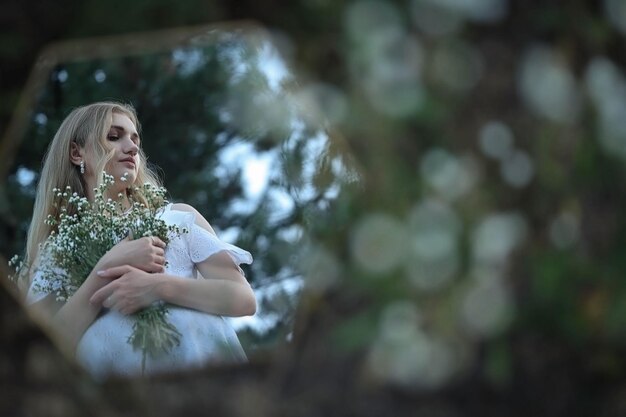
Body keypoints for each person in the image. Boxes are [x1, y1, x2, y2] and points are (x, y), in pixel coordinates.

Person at [22, 101, 256, 378]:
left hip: (204, 377)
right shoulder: (59, 251)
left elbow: (243, 299)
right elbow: (43, 352)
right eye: (114, 136)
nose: (132, 147)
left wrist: (158, 286)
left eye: (135, 139)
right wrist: (104, 270)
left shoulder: (177, 219)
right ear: (77, 152)